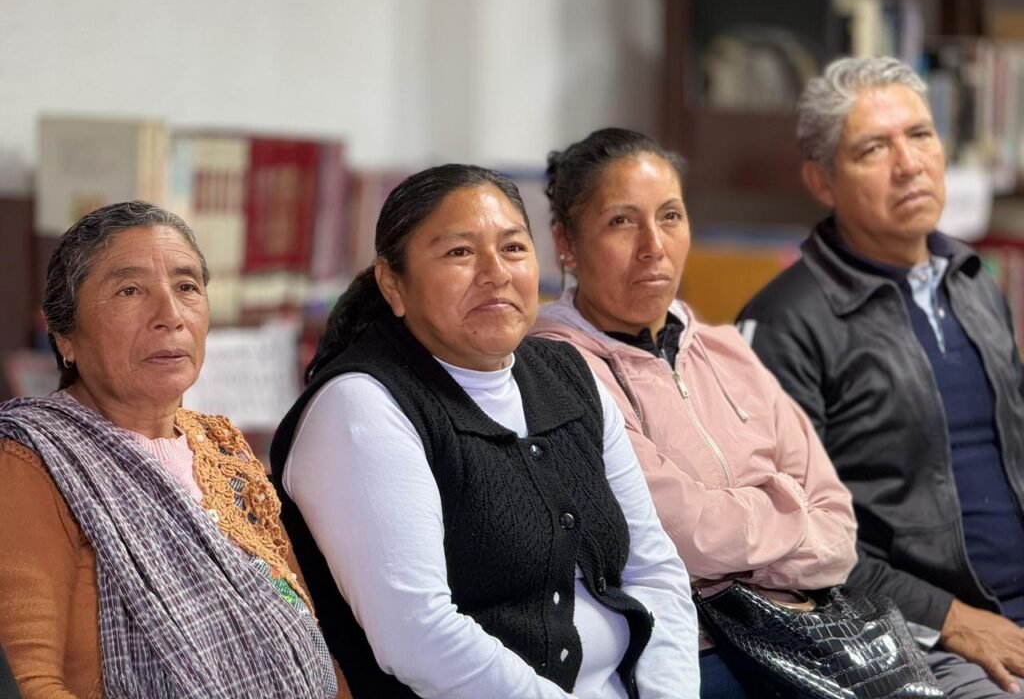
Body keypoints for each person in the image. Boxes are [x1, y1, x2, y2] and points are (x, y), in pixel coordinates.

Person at [271, 164, 700, 699]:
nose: (495, 273)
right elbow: (418, 636)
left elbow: (654, 570)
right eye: (460, 252)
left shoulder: (569, 375)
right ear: (392, 284)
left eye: (513, 248)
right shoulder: (360, 407)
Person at [529, 127, 859, 699]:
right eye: (621, 221)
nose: (653, 245)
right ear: (567, 243)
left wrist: (736, 555)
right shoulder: (558, 369)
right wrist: (788, 511)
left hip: (803, 633)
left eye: (671, 216)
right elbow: (687, 536)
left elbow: (840, 529)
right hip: (683, 653)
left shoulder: (727, 349)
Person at [738, 56, 1024, 699]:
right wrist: (951, 619)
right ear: (822, 181)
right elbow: (788, 544)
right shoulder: (784, 324)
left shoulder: (973, 281)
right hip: (915, 636)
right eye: (874, 148)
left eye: (920, 135)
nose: (909, 163)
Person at [0, 201, 336, 699]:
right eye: (130, 291)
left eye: (186, 288)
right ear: (64, 334)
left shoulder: (223, 450)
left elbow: (304, 635)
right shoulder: (28, 463)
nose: (171, 317)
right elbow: (29, 681)